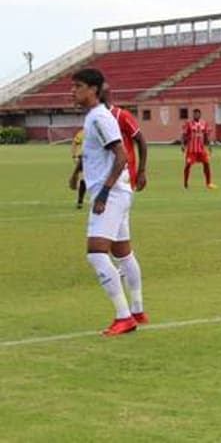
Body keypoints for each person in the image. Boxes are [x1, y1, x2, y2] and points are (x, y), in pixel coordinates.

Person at [68, 68, 147, 336]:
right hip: (119, 191)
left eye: (78, 86)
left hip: (110, 194)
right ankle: (137, 309)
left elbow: (121, 155)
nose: (73, 91)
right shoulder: (95, 117)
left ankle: (124, 317)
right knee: (123, 253)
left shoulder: (99, 118)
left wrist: (102, 194)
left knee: (96, 254)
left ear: (93, 89)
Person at [99, 87, 148, 192]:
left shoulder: (121, 115)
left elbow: (141, 140)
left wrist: (141, 171)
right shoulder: (95, 118)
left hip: (123, 172)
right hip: (102, 171)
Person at [181, 108, 216, 190]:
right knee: (188, 165)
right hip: (191, 150)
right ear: (193, 115)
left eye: (197, 113)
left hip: (201, 149)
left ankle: (208, 183)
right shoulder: (188, 123)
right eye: (194, 114)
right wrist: (182, 145)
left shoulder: (204, 123)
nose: (196, 115)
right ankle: (185, 183)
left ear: (200, 114)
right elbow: (184, 134)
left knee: (207, 164)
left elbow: (206, 135)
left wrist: (209, 145)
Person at [71, 129, 86, 209]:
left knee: (84, 179)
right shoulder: (82, 133)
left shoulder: (82, 132)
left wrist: (74, 156)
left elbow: (74, 143)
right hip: (85, 158)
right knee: (84, 179)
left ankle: (80, 201)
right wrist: (74, 156)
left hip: (93, 158)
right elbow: (74, 143)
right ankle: (80, 201)